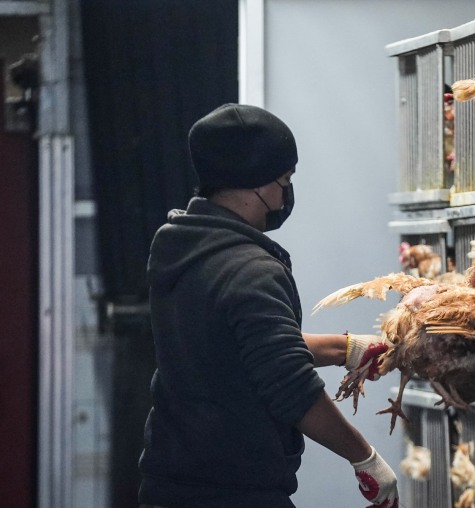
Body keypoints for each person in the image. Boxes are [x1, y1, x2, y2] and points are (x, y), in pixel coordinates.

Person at [138, 103, 398, 508]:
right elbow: (291, 388)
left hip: (170, 484)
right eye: (284, 179)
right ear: (257, 183)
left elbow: (236, 346)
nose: (285, 193)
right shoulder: (252, 270)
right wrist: (364, 456)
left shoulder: (177, 246)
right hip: (231, 493)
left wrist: (346, 349)